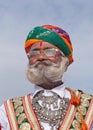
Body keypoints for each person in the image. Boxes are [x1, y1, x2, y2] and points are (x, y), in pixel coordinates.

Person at [0, 25, 93, 130]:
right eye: (34, 53)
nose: (41, 57)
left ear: (65, 63)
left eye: (50, 51)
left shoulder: (90, 105)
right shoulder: (7, 111)